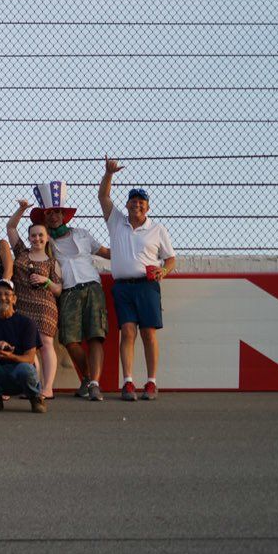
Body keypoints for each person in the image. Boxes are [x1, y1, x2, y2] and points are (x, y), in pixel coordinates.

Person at [11, 181, 112, 402]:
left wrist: (138, 256)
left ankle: (94, 383)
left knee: (96, 336)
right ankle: (86, 376)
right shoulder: (45, 243)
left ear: (64, 214)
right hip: (67, 292)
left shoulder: (83, 234)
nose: (54, 216)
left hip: (92, 286)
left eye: (57, 212)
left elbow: (106, 252)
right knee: (70, 340)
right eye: (49, 213)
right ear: (44, 218)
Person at [100, 157, 177, 401]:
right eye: (133, 201)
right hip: (123, 287)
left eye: (141, 202)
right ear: (128, 204)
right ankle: (129, 383)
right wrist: (109, 174)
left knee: (148, 333)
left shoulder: (158, 229)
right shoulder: (117, 222)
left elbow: (171, 259)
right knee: (128, 331)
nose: (137, 205)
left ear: (148, 207)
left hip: (147, 286)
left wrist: (163, 272)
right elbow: (103, 197)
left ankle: (152, 382)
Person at [6, 203, 63, 403]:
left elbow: (58, 289)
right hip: (22, 305)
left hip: (45, 306)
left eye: (41, 235)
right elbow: (11, 228)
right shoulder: (21, 252)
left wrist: (45, 281)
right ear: (29, 237)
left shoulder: (52, 261)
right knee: (27, 346)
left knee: (45, 344)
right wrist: (22, 209)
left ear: (47, 237)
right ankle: (33, 386)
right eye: (33, 235)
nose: (37, 238)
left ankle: (47, 388)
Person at [0, 280, 44, 413]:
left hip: (20, 374)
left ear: (14, 299)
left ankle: (35, 398)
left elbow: (29, 358)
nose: (3, 297)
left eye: (7, 294)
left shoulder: (27, 323)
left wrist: (10, 355)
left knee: (25, 368)